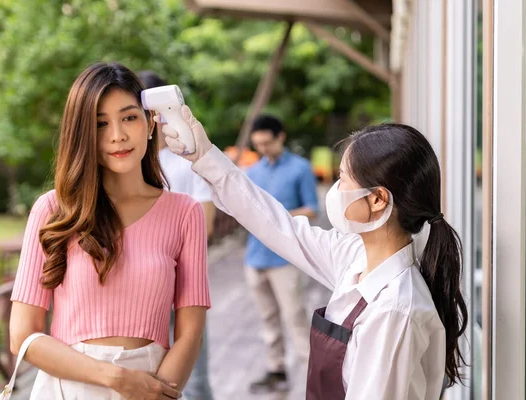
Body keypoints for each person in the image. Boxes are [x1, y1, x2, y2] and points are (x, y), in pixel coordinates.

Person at [159, 106, 468, 400]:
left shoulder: (394, 311)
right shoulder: (355, 257)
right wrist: (204, 155)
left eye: (343, 178)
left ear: (377, 200)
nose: (335, 189)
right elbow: (276, 225)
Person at [8, 63, 210, 400]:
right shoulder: (53, 210)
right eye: (100, 124)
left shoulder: (185, 213)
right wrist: (117, 378)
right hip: (67, 388)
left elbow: (190, 334)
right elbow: (22, 337)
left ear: (150, 124)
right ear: (83, 133)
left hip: (155, 385)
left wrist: (157, 391)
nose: (117, 135)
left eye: (129, 117)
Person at [138, 70, 216, 400]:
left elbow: (206, 224)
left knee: (192, 379)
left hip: (182, 285)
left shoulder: (187, 159)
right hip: (137, 292)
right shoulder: (126, 164)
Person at [243, 115, 317, 393]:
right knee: (268, 319)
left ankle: (313, 376)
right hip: (255, 258)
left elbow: (312, 209)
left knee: (295, 316)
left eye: (267, 143)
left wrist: (277, 216)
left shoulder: (300, 168)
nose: (262, 148)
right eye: (258, 144)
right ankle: (276, 370)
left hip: (285, 259)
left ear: (280, 137)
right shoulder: (253, 171)